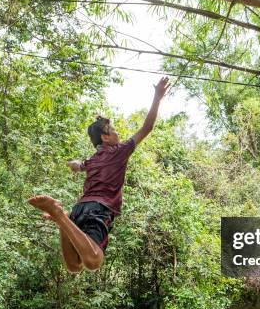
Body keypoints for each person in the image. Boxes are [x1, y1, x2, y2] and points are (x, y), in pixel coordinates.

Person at [28, 77, 170, 272]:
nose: (118, 133)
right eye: (114, 130)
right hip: (99, 208)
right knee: (93, 260)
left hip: (81, 207)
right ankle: (60, 215)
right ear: (105, 137)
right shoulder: (120, 150)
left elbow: (79, 165)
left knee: (74, 266)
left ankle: (65, 219)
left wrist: (73, 164)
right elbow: (147, 128)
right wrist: (157, 97)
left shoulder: (93, 159)